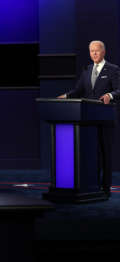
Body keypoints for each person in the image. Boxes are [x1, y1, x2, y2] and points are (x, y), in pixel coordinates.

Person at [58, 40, 120, 195]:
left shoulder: (113, 69)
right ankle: (92, 186)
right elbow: (79, 90)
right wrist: (66, 96)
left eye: (97, 51)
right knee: (93, 154)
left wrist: (110, 95)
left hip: (105, 118)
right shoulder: (87, 70)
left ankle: (105, 188)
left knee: (105, 154)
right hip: (88, 119)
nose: (94, 53)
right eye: (91, 51)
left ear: (103, 52)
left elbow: (119, 90)